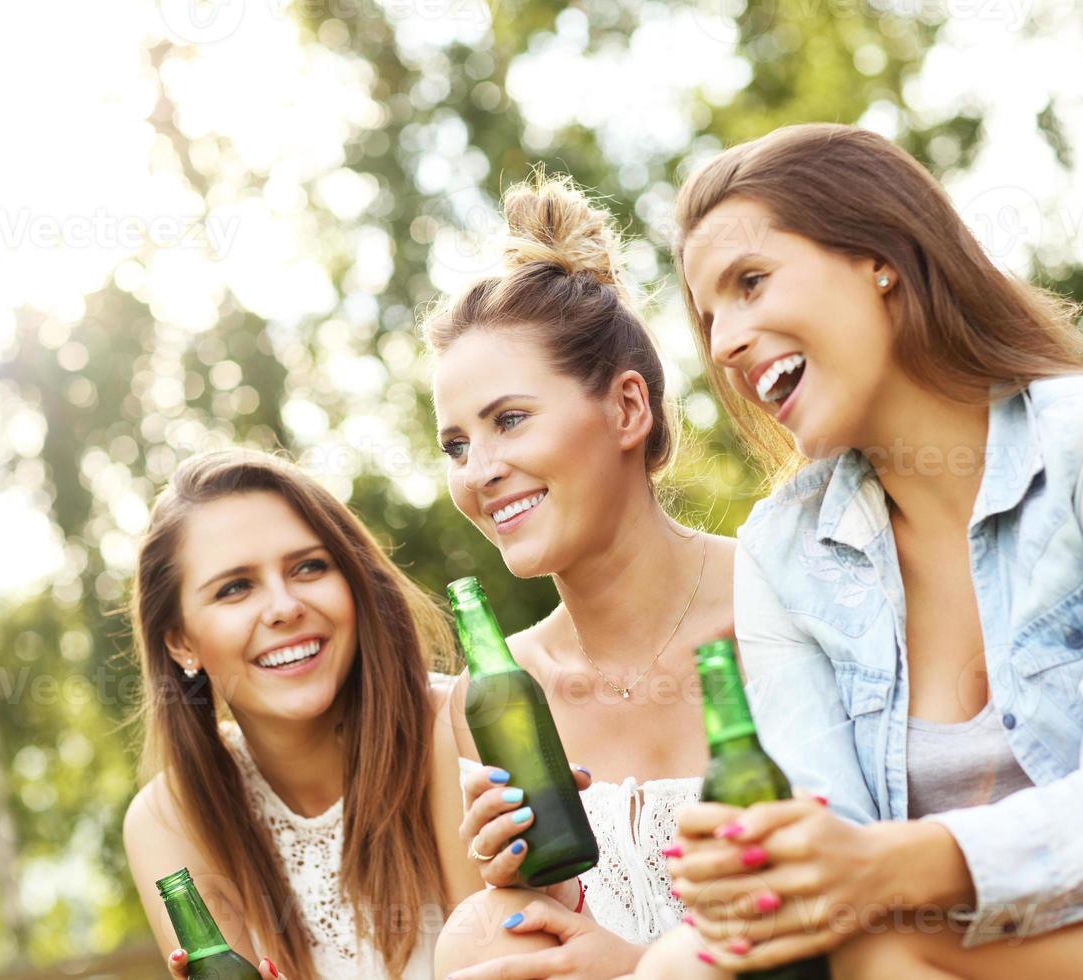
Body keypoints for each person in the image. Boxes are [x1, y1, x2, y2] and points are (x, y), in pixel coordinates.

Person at [636, 122, 1083, 979]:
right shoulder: (783, 552)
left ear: (881, 259)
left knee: (878, 950)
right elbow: (830, 838)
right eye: (710, 318)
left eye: (750, 283)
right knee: (684, 963)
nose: (723, 344)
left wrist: (876, 870)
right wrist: (769, 861)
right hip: (951, 941)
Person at [423, 171, 739, 980]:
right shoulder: (487, 701)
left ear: (628, 409)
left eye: (509, 420)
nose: (481, 471)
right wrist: (529, 890)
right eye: (455, 445)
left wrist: (638, 970)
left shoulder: (777, 606)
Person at [121, 448, 483, 978]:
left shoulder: (454, 725)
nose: (284, 607)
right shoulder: (170, 818)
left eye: (309, 567)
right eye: (235, 588)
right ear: (180, 642)